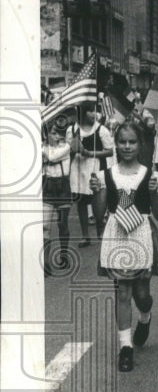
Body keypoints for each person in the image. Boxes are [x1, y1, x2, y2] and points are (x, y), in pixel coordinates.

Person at [90, 120, 158, 372]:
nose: (126, 146)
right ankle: (125, 348)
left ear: (140, 144)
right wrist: (96, 193)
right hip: (117, 237)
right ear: (116, 144)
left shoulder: (150, 175)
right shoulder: (106, 175)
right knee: (122, 293)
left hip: (141, 237)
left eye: (132, 141)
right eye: (122, 141)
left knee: (142, 296)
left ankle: (145, 316)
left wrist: (154, 192)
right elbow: (100, 214)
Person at [66, 106, 113, 247]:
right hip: (78, 168)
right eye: (90, 111)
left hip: (96, 166)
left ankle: (100, 228)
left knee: (97, 199)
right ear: (82, 112)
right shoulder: (72, 130)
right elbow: (68, 152)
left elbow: (109, 151)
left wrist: (90, 153)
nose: (94, 114)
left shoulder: (101, 130)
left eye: (94, 111)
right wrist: (74, 150)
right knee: (81, 201)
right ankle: (85, 235)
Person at [41, 114, 72, 276]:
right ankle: (46, 263)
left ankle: (64, 255)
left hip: (62, 189)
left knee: (63, 225)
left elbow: (52, 157)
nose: (56, 135)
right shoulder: (44, 148)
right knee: (44, 226)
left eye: (58, 132)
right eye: (52, 132)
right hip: (47, 188)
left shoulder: (65, 148)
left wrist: (42, 148)